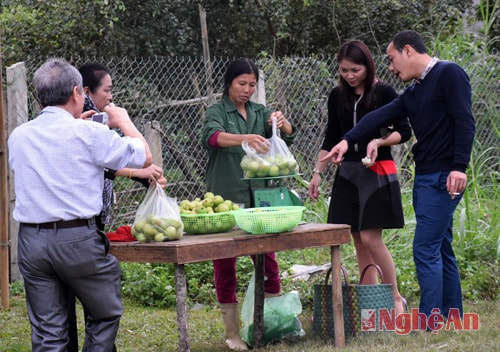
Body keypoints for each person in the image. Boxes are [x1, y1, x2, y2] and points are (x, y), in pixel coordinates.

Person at [321, 30, 475, 324]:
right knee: (440, 246)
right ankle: (452, 313)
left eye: (392, 59)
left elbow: (464, 121)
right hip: (425, 176)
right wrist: (346, 140)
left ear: (408, 50)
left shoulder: (449, 74)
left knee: (425, 248)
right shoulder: (415, 91)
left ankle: (430, 320)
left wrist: (459, 167)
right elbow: (375, 119)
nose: (390, 68)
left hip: (445, 175)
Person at [8, 58, 153, 351]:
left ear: (38, 96)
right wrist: (123, 121)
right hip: (78, 240)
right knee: (103, 314)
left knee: (49, 332)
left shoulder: (19, 136)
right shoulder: (90, 133)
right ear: (77, 93)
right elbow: (144, 156)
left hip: (32, 241)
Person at [308, 39, 411, 315]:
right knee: (356, 238)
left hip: (376, 170)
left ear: (367, 65)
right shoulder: (336, 96)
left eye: (355, 70)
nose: (349, 76)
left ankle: (395, 298)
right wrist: (318, 172)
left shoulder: (384, 92)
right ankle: (371, 304)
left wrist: (379, 142)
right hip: (348, 173)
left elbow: (404, 131)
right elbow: (331, 137)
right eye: (343, 70)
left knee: (370, 238)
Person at [201, 58, 297, 350]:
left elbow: (286, 137)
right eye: (241, 84)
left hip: (261, 196)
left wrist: (283, 124)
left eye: (252, 85)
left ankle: (271, 323)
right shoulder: (217, 111)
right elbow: (213, 138)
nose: (246, 90)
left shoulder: (259, 111)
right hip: (227, 196)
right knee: (225, 263)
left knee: (268, 261)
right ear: (229, 83)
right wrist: (245, 138)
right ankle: (232, 333)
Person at [78, 63, 166, 231]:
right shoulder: (83, 123)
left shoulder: (99, 118)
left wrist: (144, 177)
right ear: (87, 91)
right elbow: (96, 163)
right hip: (83, 212)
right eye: (106, 90)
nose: (110, 96)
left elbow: (114, 159)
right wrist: (124, 121)